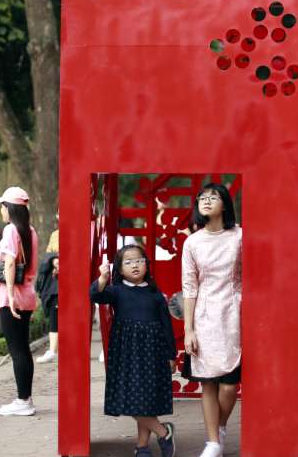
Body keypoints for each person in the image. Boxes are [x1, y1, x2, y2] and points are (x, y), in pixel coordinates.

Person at [91, 244, 177, 457]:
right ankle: (163, 432)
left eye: (139, 260)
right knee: (131, 398)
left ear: (146, 265)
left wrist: (171, 355)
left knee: (145, 399)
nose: (135, 265)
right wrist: (102, 278)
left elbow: (167, 325)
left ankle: (142, 447)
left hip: (152, 352)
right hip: (127, 353)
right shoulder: (116, 291)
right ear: (119, 270)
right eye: (128, 262)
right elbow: (95, 295)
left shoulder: (155, 294)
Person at [182, 183, 242, 457]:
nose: (205, 201)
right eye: (201, 197)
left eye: (212, 196)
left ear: (225, 204)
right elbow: (190, 287)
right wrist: (188, 330)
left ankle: (219, 428)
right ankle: (213, 442)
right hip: (204, 317)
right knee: (208, 381)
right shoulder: (192, 242)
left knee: (229, 385)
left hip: (234, 314)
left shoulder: (240, 236)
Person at [0, 186, 39, 416]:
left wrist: (9, 295)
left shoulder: (11, 230)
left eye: (2, 206)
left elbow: (9, 263)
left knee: (17, 350)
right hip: (27, 295)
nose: (1, 210)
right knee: (23, 350)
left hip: (13, 297)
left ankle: (23, 401)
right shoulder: (30, 231)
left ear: (9, 208)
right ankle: (25, 399)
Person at [35, 253, 59, 363]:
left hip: (55, 292)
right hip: (54, 292)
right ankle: (53, 350)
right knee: (54, 323)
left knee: (55, 323)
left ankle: (52, 351)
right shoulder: (52, 257)